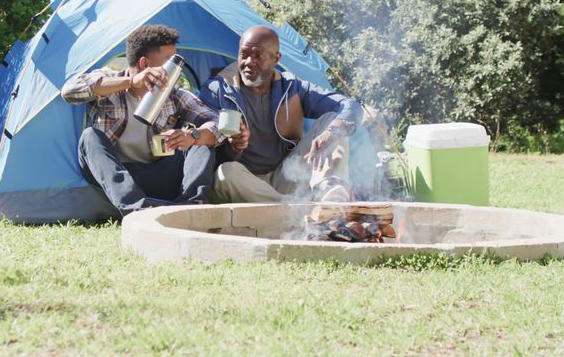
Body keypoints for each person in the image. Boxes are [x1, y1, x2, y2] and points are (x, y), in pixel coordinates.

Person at [61, 25, 224, 215]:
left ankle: (191, 208)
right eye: (170, 62)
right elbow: (69, 92)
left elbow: (218, 123)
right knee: (89, 137)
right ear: (145, 63)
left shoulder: (173, 94)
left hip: (159, 173)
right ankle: (136, 211)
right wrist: (131, 82)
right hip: (115, 178)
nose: (177, 68)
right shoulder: (108, 81)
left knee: (200, 143)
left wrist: (192, 136)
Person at [201, 25, 365, 203]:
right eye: (244, 54)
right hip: (245, 181)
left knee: (335, 122)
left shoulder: (292, 88)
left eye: (259, 55)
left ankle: (331, 196)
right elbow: (203, 149)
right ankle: (297, 210)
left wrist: (332, 132)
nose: (249, 61)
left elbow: (352, 106)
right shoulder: (216, 89)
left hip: (287, 175)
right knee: (226, 173)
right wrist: (232, 149)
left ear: (276, 59)